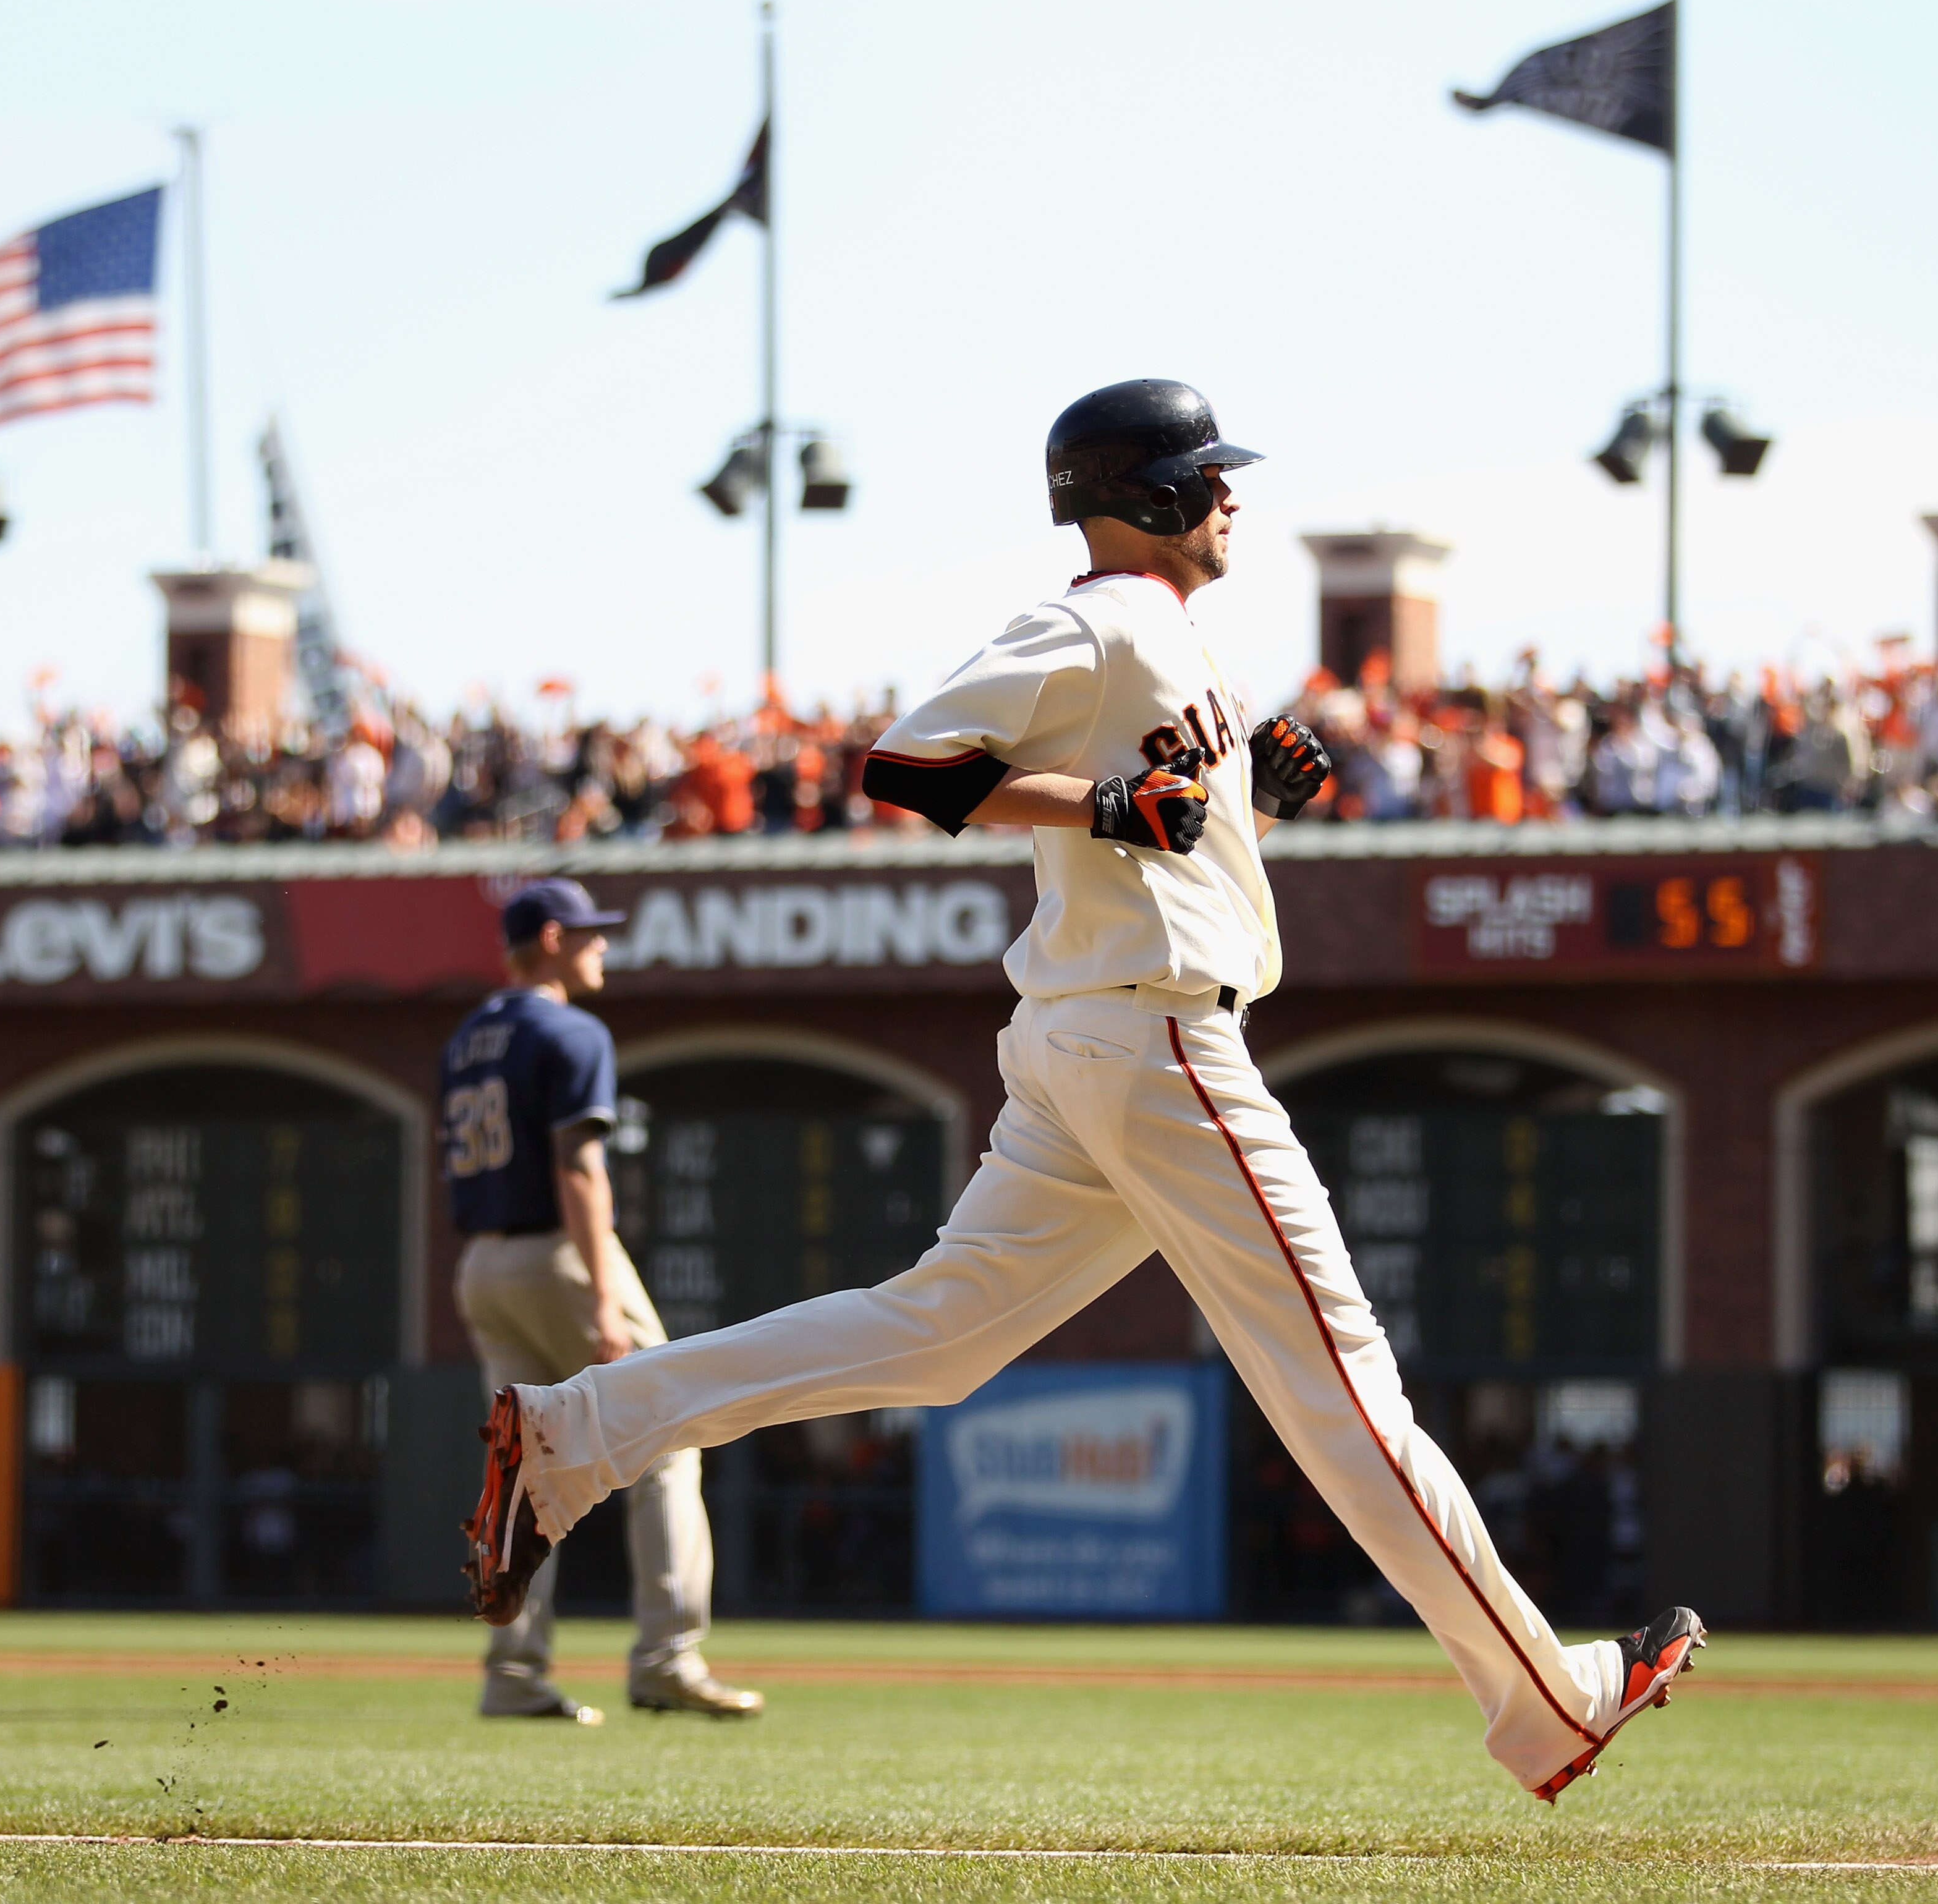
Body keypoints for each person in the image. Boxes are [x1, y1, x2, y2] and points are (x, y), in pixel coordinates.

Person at [465, 379, 1702, 1803]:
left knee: (931, 1339)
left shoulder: (1177, 643)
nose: (1234, 494)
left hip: (1096, 1040)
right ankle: (1551, 1700)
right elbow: (910, 763)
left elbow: (1167, 801)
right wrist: (1098, 804)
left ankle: (570, 1437)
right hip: (1155, 1036)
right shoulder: (1103, 615)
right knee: (1344, 1387)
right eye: (1211, 476)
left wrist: (1250, 786)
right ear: (1156, 494)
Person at [443, 879, 762, 1723]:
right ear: (549, 938)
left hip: (482, 1263)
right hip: (560, 1255)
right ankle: (667, 1658)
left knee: (519, 1465)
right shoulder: (569, 1028)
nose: (601, 948)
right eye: (588, 935)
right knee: (671, 1433)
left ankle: (511, 1674)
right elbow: (578, 1168)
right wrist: (603, 1300)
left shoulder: (469, 1038)